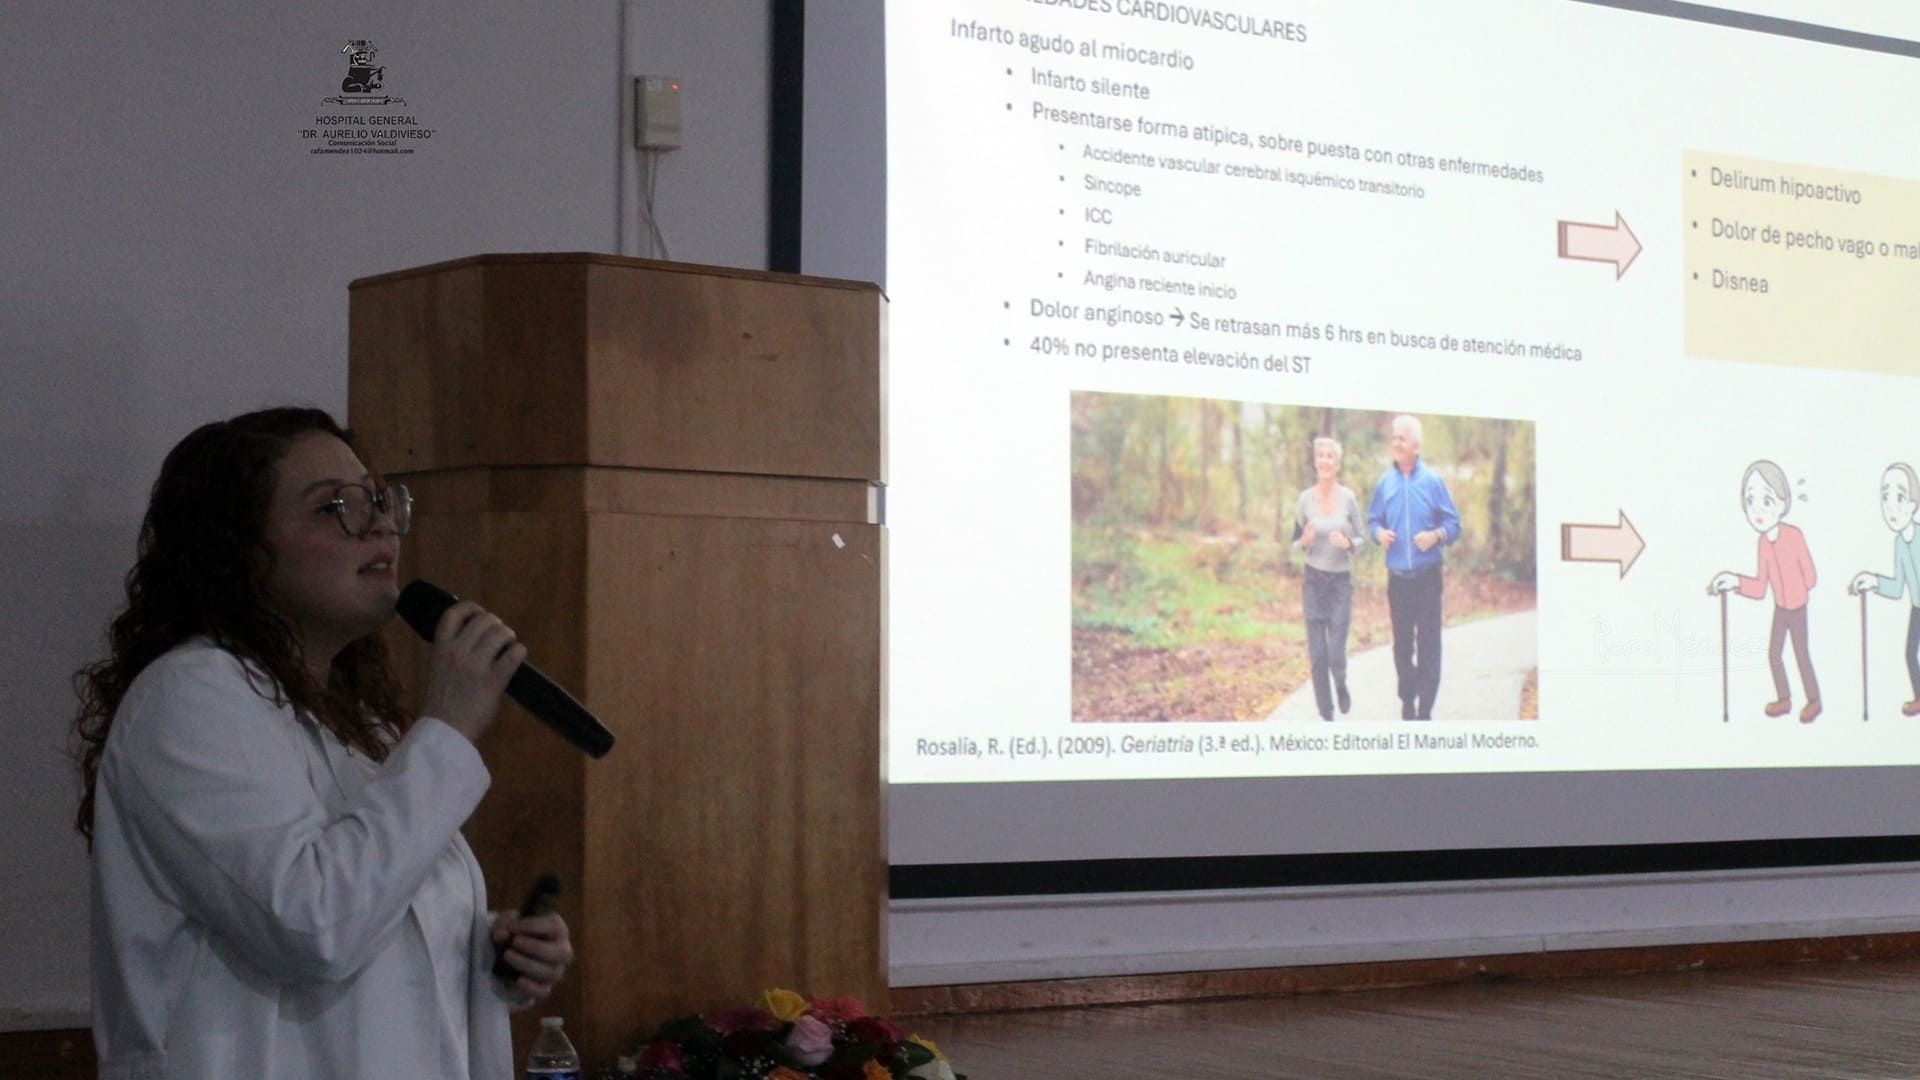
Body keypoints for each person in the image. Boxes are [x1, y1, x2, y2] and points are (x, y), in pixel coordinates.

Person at [73, 407, 573, 1079]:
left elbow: (372, 924)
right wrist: (448, 728)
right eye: (333, 506)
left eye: (377, 499)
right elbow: (310, 926)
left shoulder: (360, 722)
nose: (379, 523)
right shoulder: (188, 696)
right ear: (239, 551)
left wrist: (487, 952)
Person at [1709, 459, 1821, 723]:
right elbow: (1760, 587)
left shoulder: (1793, 535)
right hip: (1780, 607)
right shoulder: (1763, 543)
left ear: (1783, 503)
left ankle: (1814, 700)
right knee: (1774, 653)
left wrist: (1796, 589)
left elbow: (1811, 577)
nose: (1758, 510)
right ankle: (1784, 698)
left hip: (1797, 606)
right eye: (1750, 501)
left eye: (1767, 501)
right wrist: (1734, 581)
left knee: (1801, 654)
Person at [1367, 415, 1460, 720]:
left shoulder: (1432, 482)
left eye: (1402, 438)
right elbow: (1373, 520)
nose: (1396, 443)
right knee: (1402, 648)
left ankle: (1425, 711)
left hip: (1428, 578)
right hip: (1398, 580)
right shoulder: (1385, 483)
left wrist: (1435, 535)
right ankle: (1408, 699)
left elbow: (1453, 525)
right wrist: (1379, 534)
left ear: (1416, 445)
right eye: (1394, 437)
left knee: (1429, 646)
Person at [1293, 436, 1365, 722]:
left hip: (1339, 584)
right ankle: (1327, 716)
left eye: (1330, 457)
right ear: (1315, 462)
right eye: (1320, 455)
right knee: (1318, 657)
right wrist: (1305, 541)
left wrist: (1348, 543)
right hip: (1313, 582)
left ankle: (1342, 683)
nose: (1324, 460)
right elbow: (1294, 543)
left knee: (1335, 653)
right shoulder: (1304, 500)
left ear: (1337, 464)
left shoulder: (1348, 498)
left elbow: (1362, 538)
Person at [1849, 462, 1920, 716]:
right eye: (1885, 497)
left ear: (1913, 504)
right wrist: (1874, 582)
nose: (1891, 506)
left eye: (1899, 497)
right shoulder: (1900, 543)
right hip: (1917, 607)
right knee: (1909, 652)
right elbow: (1898, 588)